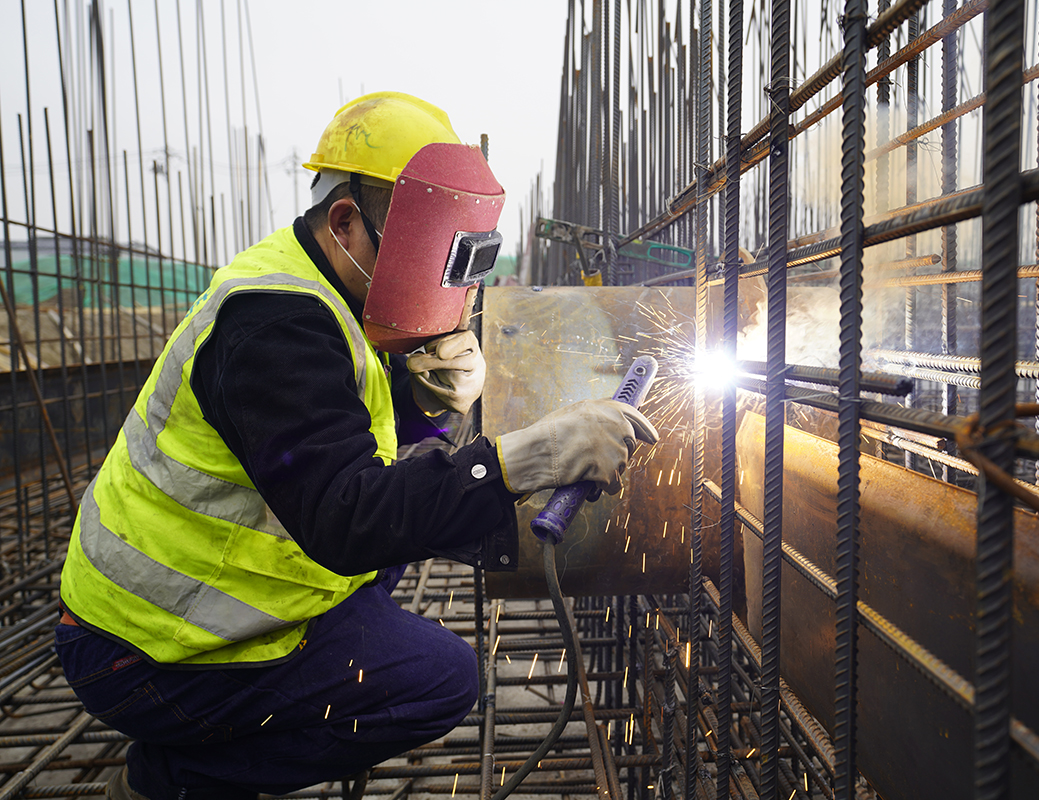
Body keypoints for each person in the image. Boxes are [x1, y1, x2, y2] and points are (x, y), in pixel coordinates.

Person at [55, 92, 657, 800]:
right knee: (440, 680)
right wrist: (527, 458)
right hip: (148, 648)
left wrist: (428, 408)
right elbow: (347, 515)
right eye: (429, 260)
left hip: (218, 600)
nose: (445, 286)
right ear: (346, 222)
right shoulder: (273, 326)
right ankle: (173, 778)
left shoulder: (328, 294)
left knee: (399, 546)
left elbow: (341, 444)